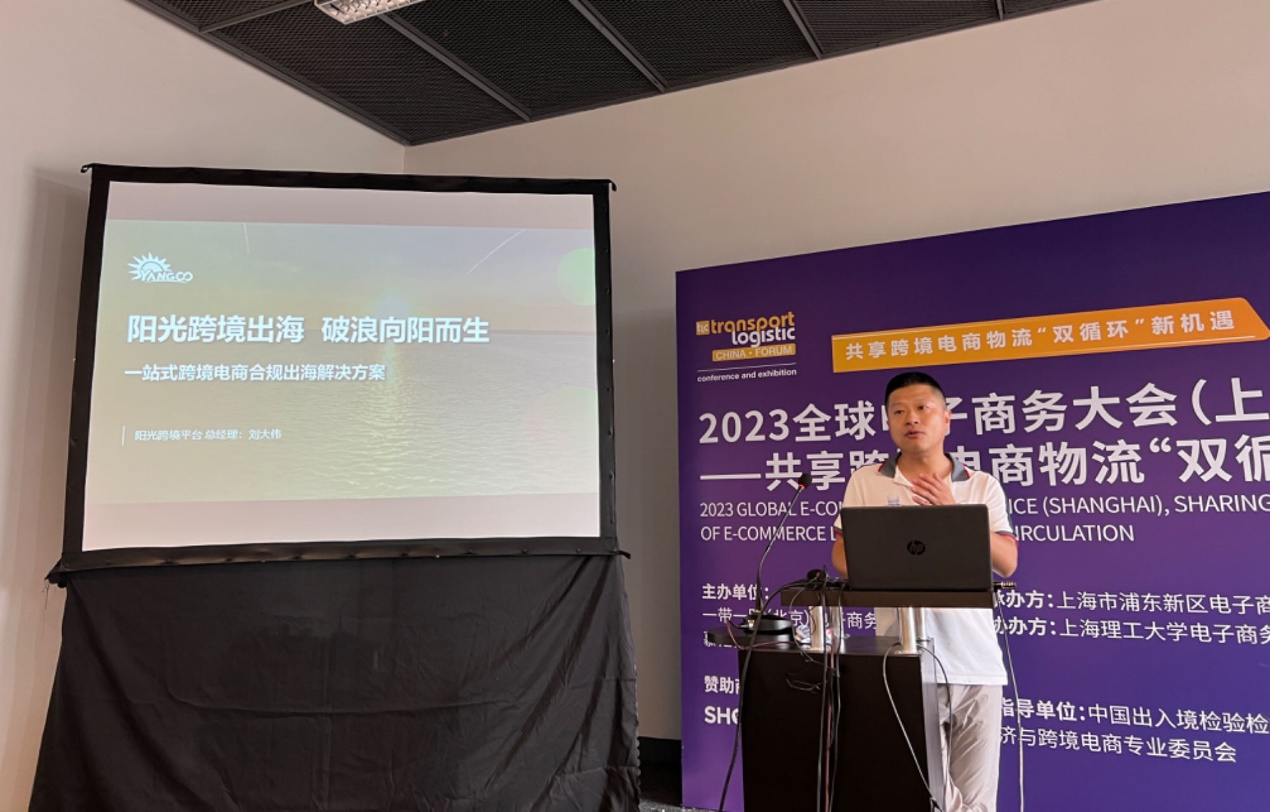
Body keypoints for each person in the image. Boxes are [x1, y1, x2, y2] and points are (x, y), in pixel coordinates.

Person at [831, 370, 1017, 812]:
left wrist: (954, 514)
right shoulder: (867, 481)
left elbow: (1007, 562)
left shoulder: (980, 485)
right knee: (921, 794)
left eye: (922, 408)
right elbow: (841, 557)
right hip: (904, 661)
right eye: (898, 411)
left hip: (975, 664)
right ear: (888, 422)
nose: (910, 418)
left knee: (976, 801)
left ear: (946, 418)